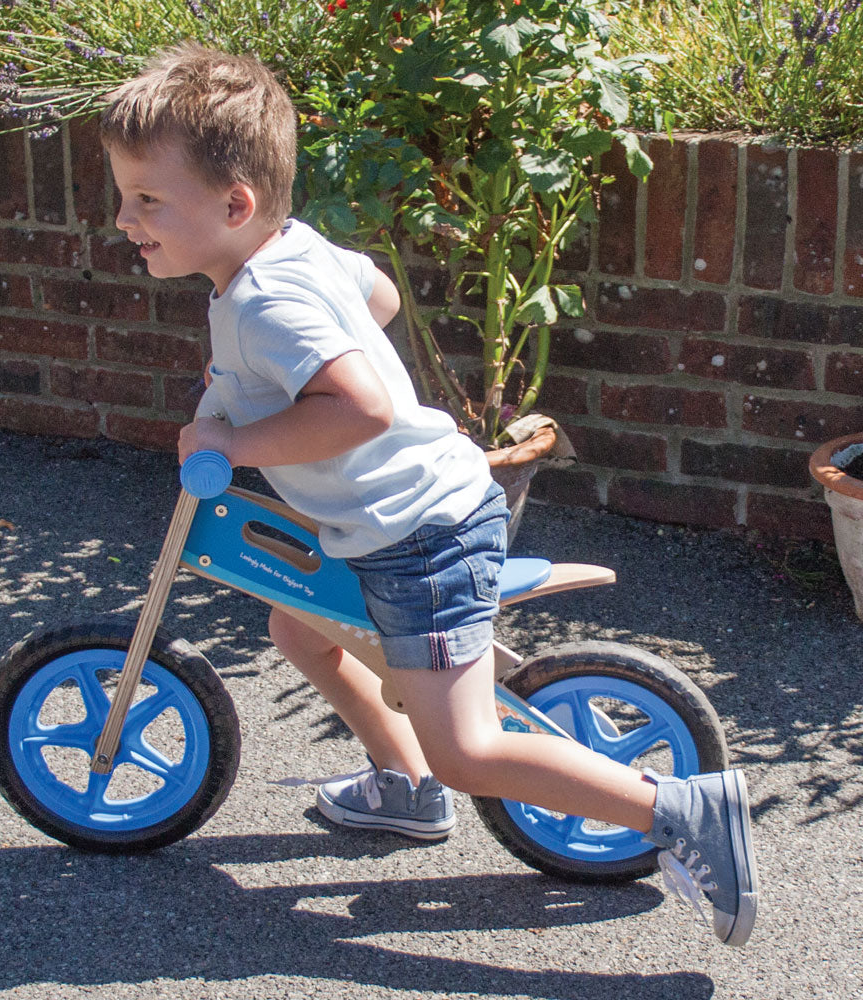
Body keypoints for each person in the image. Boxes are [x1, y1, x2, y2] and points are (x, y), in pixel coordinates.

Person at [99, 42, 758, 947]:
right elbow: (375, 299)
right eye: (125, 194)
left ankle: (680, 809)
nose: (124, 218)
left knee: (469, 750)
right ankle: (403, 785)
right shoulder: (288, 250)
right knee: (300, 624)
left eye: (145, 199)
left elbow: (363, 406)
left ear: (234, 204)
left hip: (419, 533)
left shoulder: (260, 304)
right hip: (391, 516)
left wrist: (234, 440)